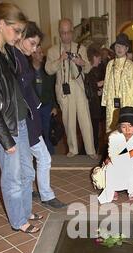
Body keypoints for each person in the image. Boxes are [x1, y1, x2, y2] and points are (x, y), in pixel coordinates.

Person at [0, 3, 41, 234]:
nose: (20, 36)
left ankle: (24, 210)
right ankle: (18, 221)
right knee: (12, 177)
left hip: (18, 120)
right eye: (16, 30)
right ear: (1, 25)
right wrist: (5, 139)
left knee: (27, 171)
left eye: (21, 32)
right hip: (4, 126)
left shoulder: (6, 51)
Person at [15, 22, 66, 209]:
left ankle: (31, 191)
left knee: (29, 159)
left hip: (29, 117)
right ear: (21, 37)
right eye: (33, 43)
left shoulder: (20, 58)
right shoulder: (16, 59)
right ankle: (46, 195)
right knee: (43, 157)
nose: (35, 49)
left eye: (37, 45)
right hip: (25, 119)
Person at [45, 18, 97, 159]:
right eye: (63, 33)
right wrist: (60, 59)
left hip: (79, 89)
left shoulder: (81, 48)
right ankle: (72, 149)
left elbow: (87, 69)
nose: (66, 36)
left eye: (68, 32)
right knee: (68, 121)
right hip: (64, 90)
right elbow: (48, 70)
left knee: (85, 120)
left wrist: (81, 62)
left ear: (72, 32)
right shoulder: (52, 51)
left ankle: (90, 149)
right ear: (59, 33)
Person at [98, 107, 133, 204]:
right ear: (119, 126)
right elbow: (114, 160)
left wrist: (122, 156)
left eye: (131, 126)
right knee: (111, 168)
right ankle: (113, 189)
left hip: (132, 166)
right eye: (124, 126)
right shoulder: (114, 136)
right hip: (116, 166)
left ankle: (131, 189)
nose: (127, 130)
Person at [102, 33, 133, 133]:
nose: (119, 49)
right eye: (117, 46)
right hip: (111, 103)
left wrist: (132, 109)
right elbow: (106, 84)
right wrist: (105, 100)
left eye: (122, 46)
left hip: (126, 103)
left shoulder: (131, 66)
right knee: (112, 132)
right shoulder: (110, 64)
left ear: (126, 49)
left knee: (123, 132)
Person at [31, 45, 57, 155]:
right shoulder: (27, 70)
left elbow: (52, 89)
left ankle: (50, 153)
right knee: (36, 132)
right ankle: (38, 154)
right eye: (39, 52)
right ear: (33, 54)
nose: (42, 55)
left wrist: (54, 106)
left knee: (47, 130)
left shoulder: (46, 69)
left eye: (42, 52)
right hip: (33, 107)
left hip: (46, 105)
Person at [85, 46, 104, 154]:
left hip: (93, 105)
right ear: (94, 57)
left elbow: (92, 87)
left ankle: (92, 151)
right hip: (91, 106)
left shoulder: (91, 70)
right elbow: (90, 87)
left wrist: (97, 90)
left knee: (93, 130)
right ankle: (92, 152)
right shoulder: (89, 71)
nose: (100, 60)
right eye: (98, 58)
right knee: (93, 131)